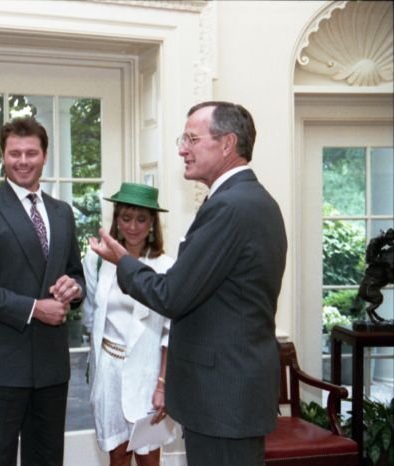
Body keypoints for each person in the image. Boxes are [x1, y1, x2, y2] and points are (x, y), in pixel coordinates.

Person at [90, 101, 287, 466]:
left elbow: (172, 295)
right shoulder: (252, 200)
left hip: (222, 396)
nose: (182, 149)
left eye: (192, 139)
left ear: (227, 144)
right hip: (230, 391)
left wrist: (124, 262)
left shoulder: (230, 206)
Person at [0, 117, 86, 466]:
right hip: (0, 369)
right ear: (3, 155)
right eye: (14, 153)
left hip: (52, 369)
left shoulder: (62, 213)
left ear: (45, 156)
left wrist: (74, 289)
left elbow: (76, 275)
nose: (23, 161)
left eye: (31, 153)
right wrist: (34, 308)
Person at [82, 182, 175, 466]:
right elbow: (91, 314)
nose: (133, 227)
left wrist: (162, 385)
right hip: (109, 373)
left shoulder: (165, 266)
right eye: (126, 218)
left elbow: (170, 333)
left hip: (149, 375)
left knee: (149, 459)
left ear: (152, 223)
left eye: (141, 219)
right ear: (116, 220)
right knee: (117, 456)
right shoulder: (97, 261)